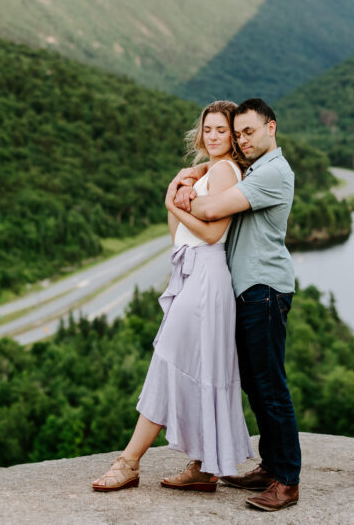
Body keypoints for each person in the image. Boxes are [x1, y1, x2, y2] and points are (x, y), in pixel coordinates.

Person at [91, 101, 254, 492]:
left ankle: (129, 461)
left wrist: (171, 201)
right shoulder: (207, 171)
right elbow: (179, 235)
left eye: (222, 130)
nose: (213, 136)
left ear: (233, 136)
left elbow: (214, 235)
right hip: (193, 272)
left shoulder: (223, 171)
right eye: (208, 129)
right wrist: (180, 190)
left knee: (168, 363)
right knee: (194, 368)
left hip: (206, 277)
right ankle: (203, 466)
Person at [172, 97, 301, 512]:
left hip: (264, 289)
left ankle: (287, 482)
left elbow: (210, 207)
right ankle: (271, 465)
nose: (242, 140)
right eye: (238, 133)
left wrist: (182, 194)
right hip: (250, 290)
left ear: (271, 128)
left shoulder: (273, 173)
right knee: (255, 384)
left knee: (270, 386)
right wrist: (199, 169)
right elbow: (223, 167)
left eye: (249, 131)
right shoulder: (256, 169)